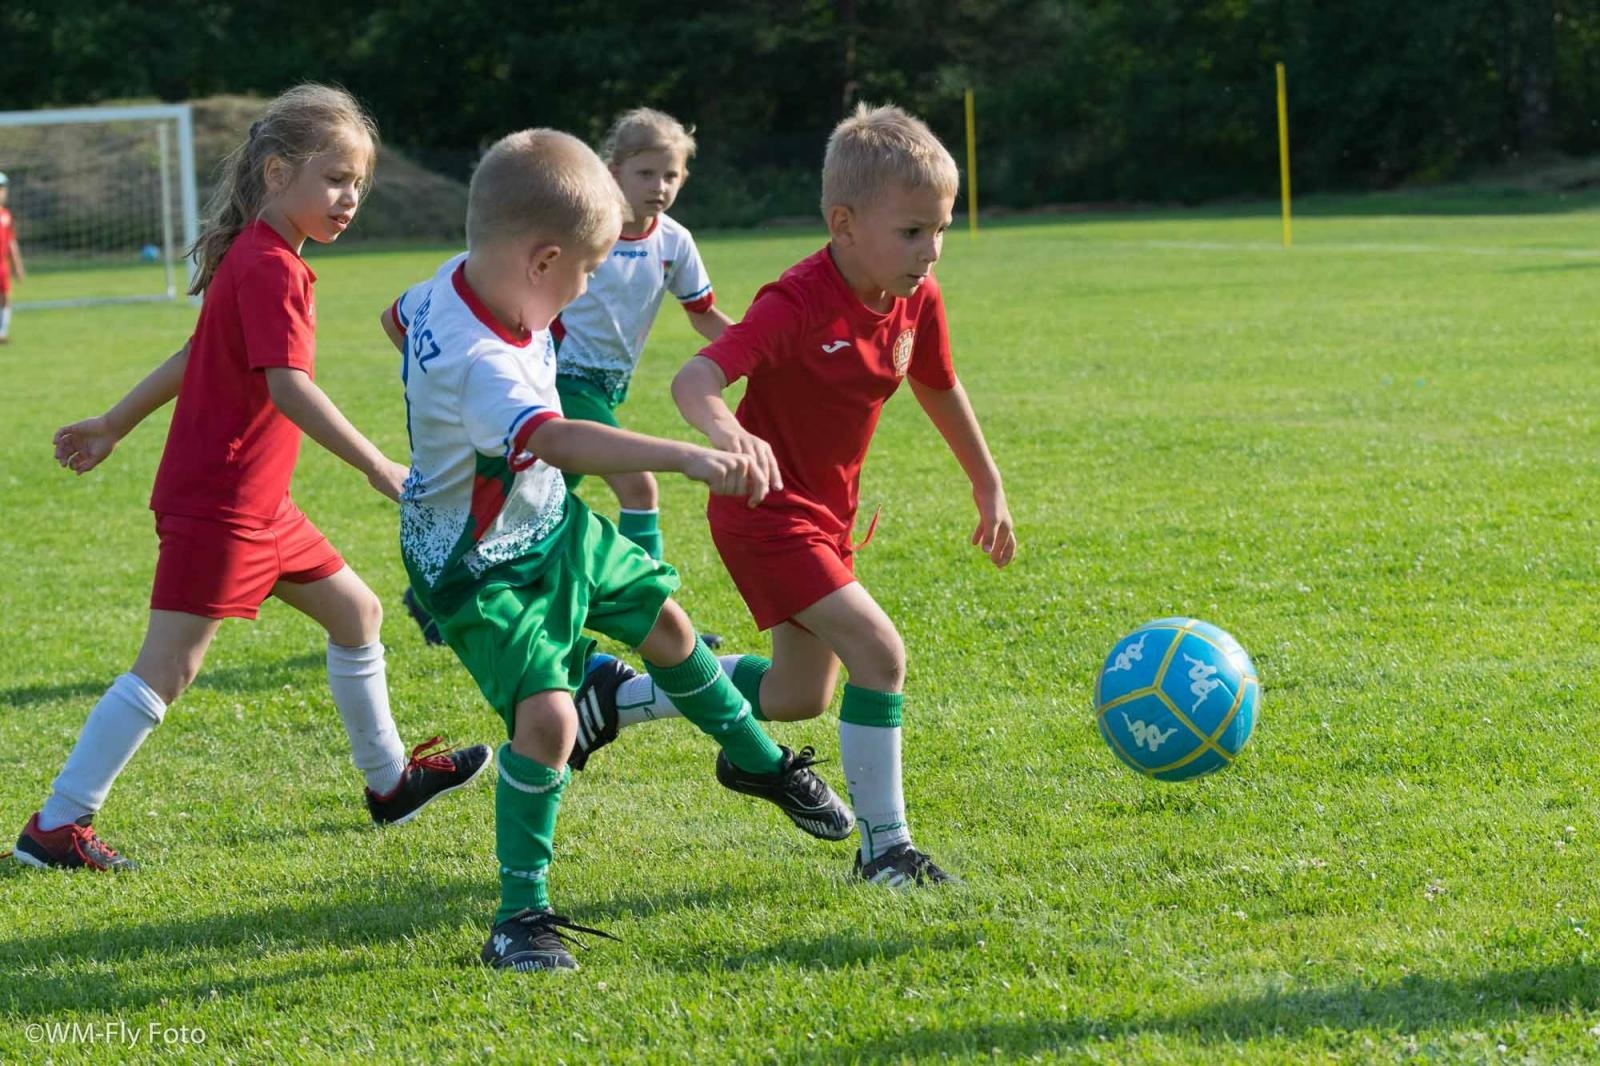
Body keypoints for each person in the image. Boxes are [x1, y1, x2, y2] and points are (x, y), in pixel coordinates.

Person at [382, 128, 852, 972]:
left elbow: (399, 321)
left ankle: (758, 764)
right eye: (586, 273)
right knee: (550, 720)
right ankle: (518, 918)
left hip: (548, 524)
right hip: (479, 564)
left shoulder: (438, 290)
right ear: (541, 259)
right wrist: (687, 455)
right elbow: (556, 440)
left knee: (669, 629)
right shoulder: (482, 361)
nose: (588, 287)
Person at [11, 85, 488, 874]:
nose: (350, 198)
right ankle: (57, 827)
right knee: (169, 667)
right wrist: (378, 467)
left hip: (260, 504)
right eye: (335, 178)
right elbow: (288, 386)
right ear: (276, 172)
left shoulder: (261, 256)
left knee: (356, 611)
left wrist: (112, 423)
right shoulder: (271, 269)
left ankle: (389, 784)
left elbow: (196, 354)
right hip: (223, 503)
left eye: (359, 184)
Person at [664, 103, 1016, 887]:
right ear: (844, 222)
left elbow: (938, 384)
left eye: (941, 229)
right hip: (765, 512)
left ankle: (630, 694)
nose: (931, 251)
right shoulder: (795, 301)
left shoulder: (916, 298)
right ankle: (885, 852)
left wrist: (986, 483)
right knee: (879, 655)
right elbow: (697, 377)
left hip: (828, 518)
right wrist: (727, 433)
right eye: (912, 231)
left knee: (796, 696)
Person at [399, 107, 729, 650]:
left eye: (671, 175)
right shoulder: (578, 235)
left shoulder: (674, 243)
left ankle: (443, 592)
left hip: (606, 387)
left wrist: (754, 350)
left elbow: (702, 313)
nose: (660, 187)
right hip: (561, 378)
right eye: (646, 173)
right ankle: (656, 612)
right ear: (612, 171)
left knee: (533, 503)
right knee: (639, 484)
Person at [0, 171, 25, 343]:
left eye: (2, 189)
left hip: (2, 265)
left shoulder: (6, 215)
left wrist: (18, 266)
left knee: (6, 298)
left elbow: (11, 243)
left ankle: (2, 332)